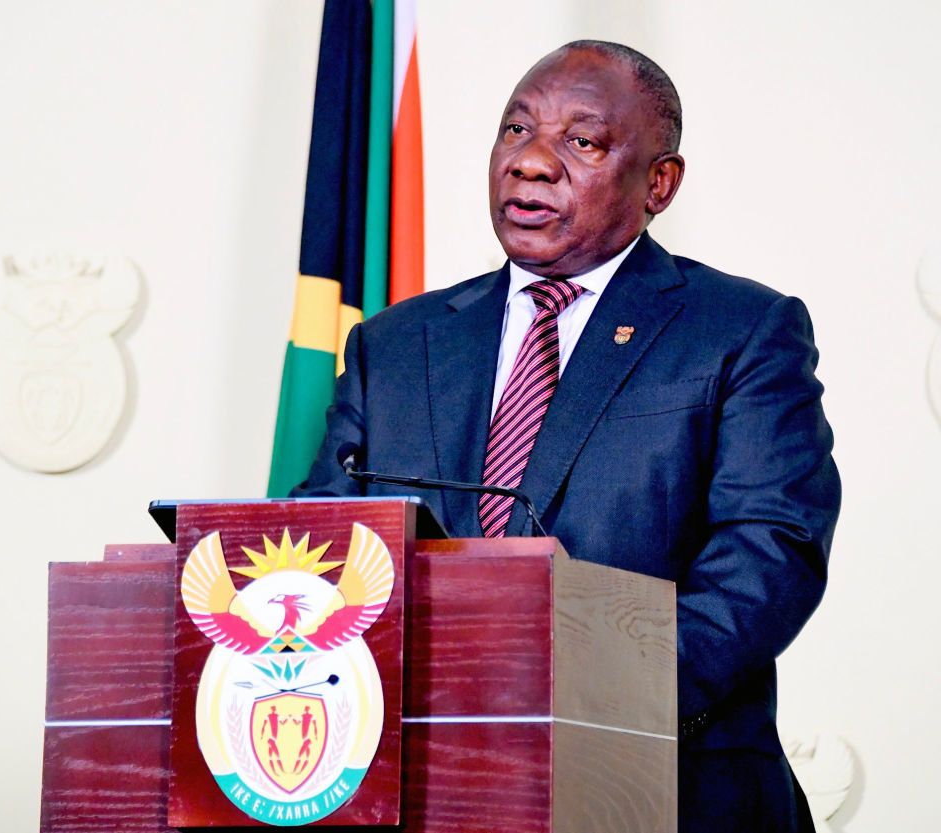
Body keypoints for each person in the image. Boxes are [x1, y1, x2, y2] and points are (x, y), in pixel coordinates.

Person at [293, 40, 840, 833]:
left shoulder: (740, 330)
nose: (533, 162)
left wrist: (592, 702)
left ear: (660, 182)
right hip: (420, 794)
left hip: (663, 787)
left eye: (581, 142)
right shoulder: (396, 344)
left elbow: (771, 550)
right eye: (516, 131)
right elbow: (319, 544)